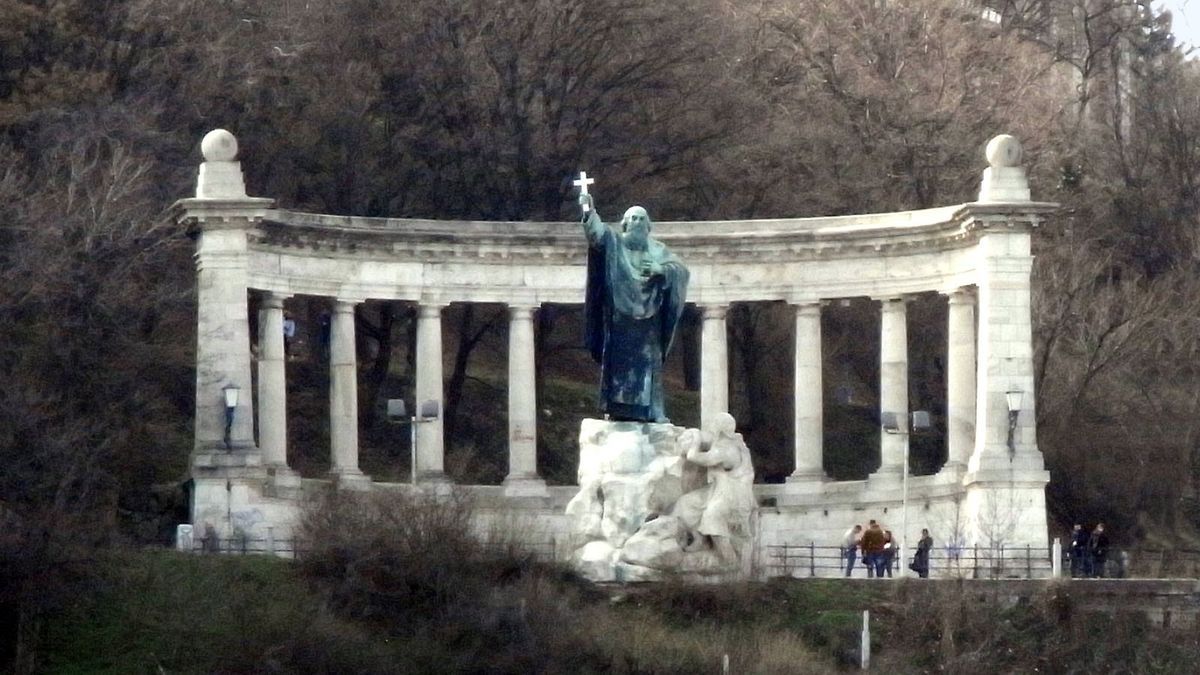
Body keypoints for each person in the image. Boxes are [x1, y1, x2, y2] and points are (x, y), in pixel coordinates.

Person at [578, 191, 689, 423]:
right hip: (619, 321)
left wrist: (661, 270)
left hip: (649, 322)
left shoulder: (659, 250)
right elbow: (596, 234)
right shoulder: (614, 243)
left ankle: (653, 411)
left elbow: (681, 271)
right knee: (617, 367)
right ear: (625, 224)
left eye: (641, 219)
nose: (637, 223)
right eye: (633, 218)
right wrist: (588, 211)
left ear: (648, 226)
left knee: (651, 365)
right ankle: (616, 409)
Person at [672, 413, 756, 566]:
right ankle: (699, 539)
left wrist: (696, 439)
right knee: (686, 503)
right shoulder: (724, 446)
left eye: (714, 425)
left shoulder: (726, 450)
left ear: (720, 429)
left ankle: (729, 560)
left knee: (712, 516)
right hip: (719, 489)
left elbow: (694, 457)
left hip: (734, 495)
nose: (711, 429)